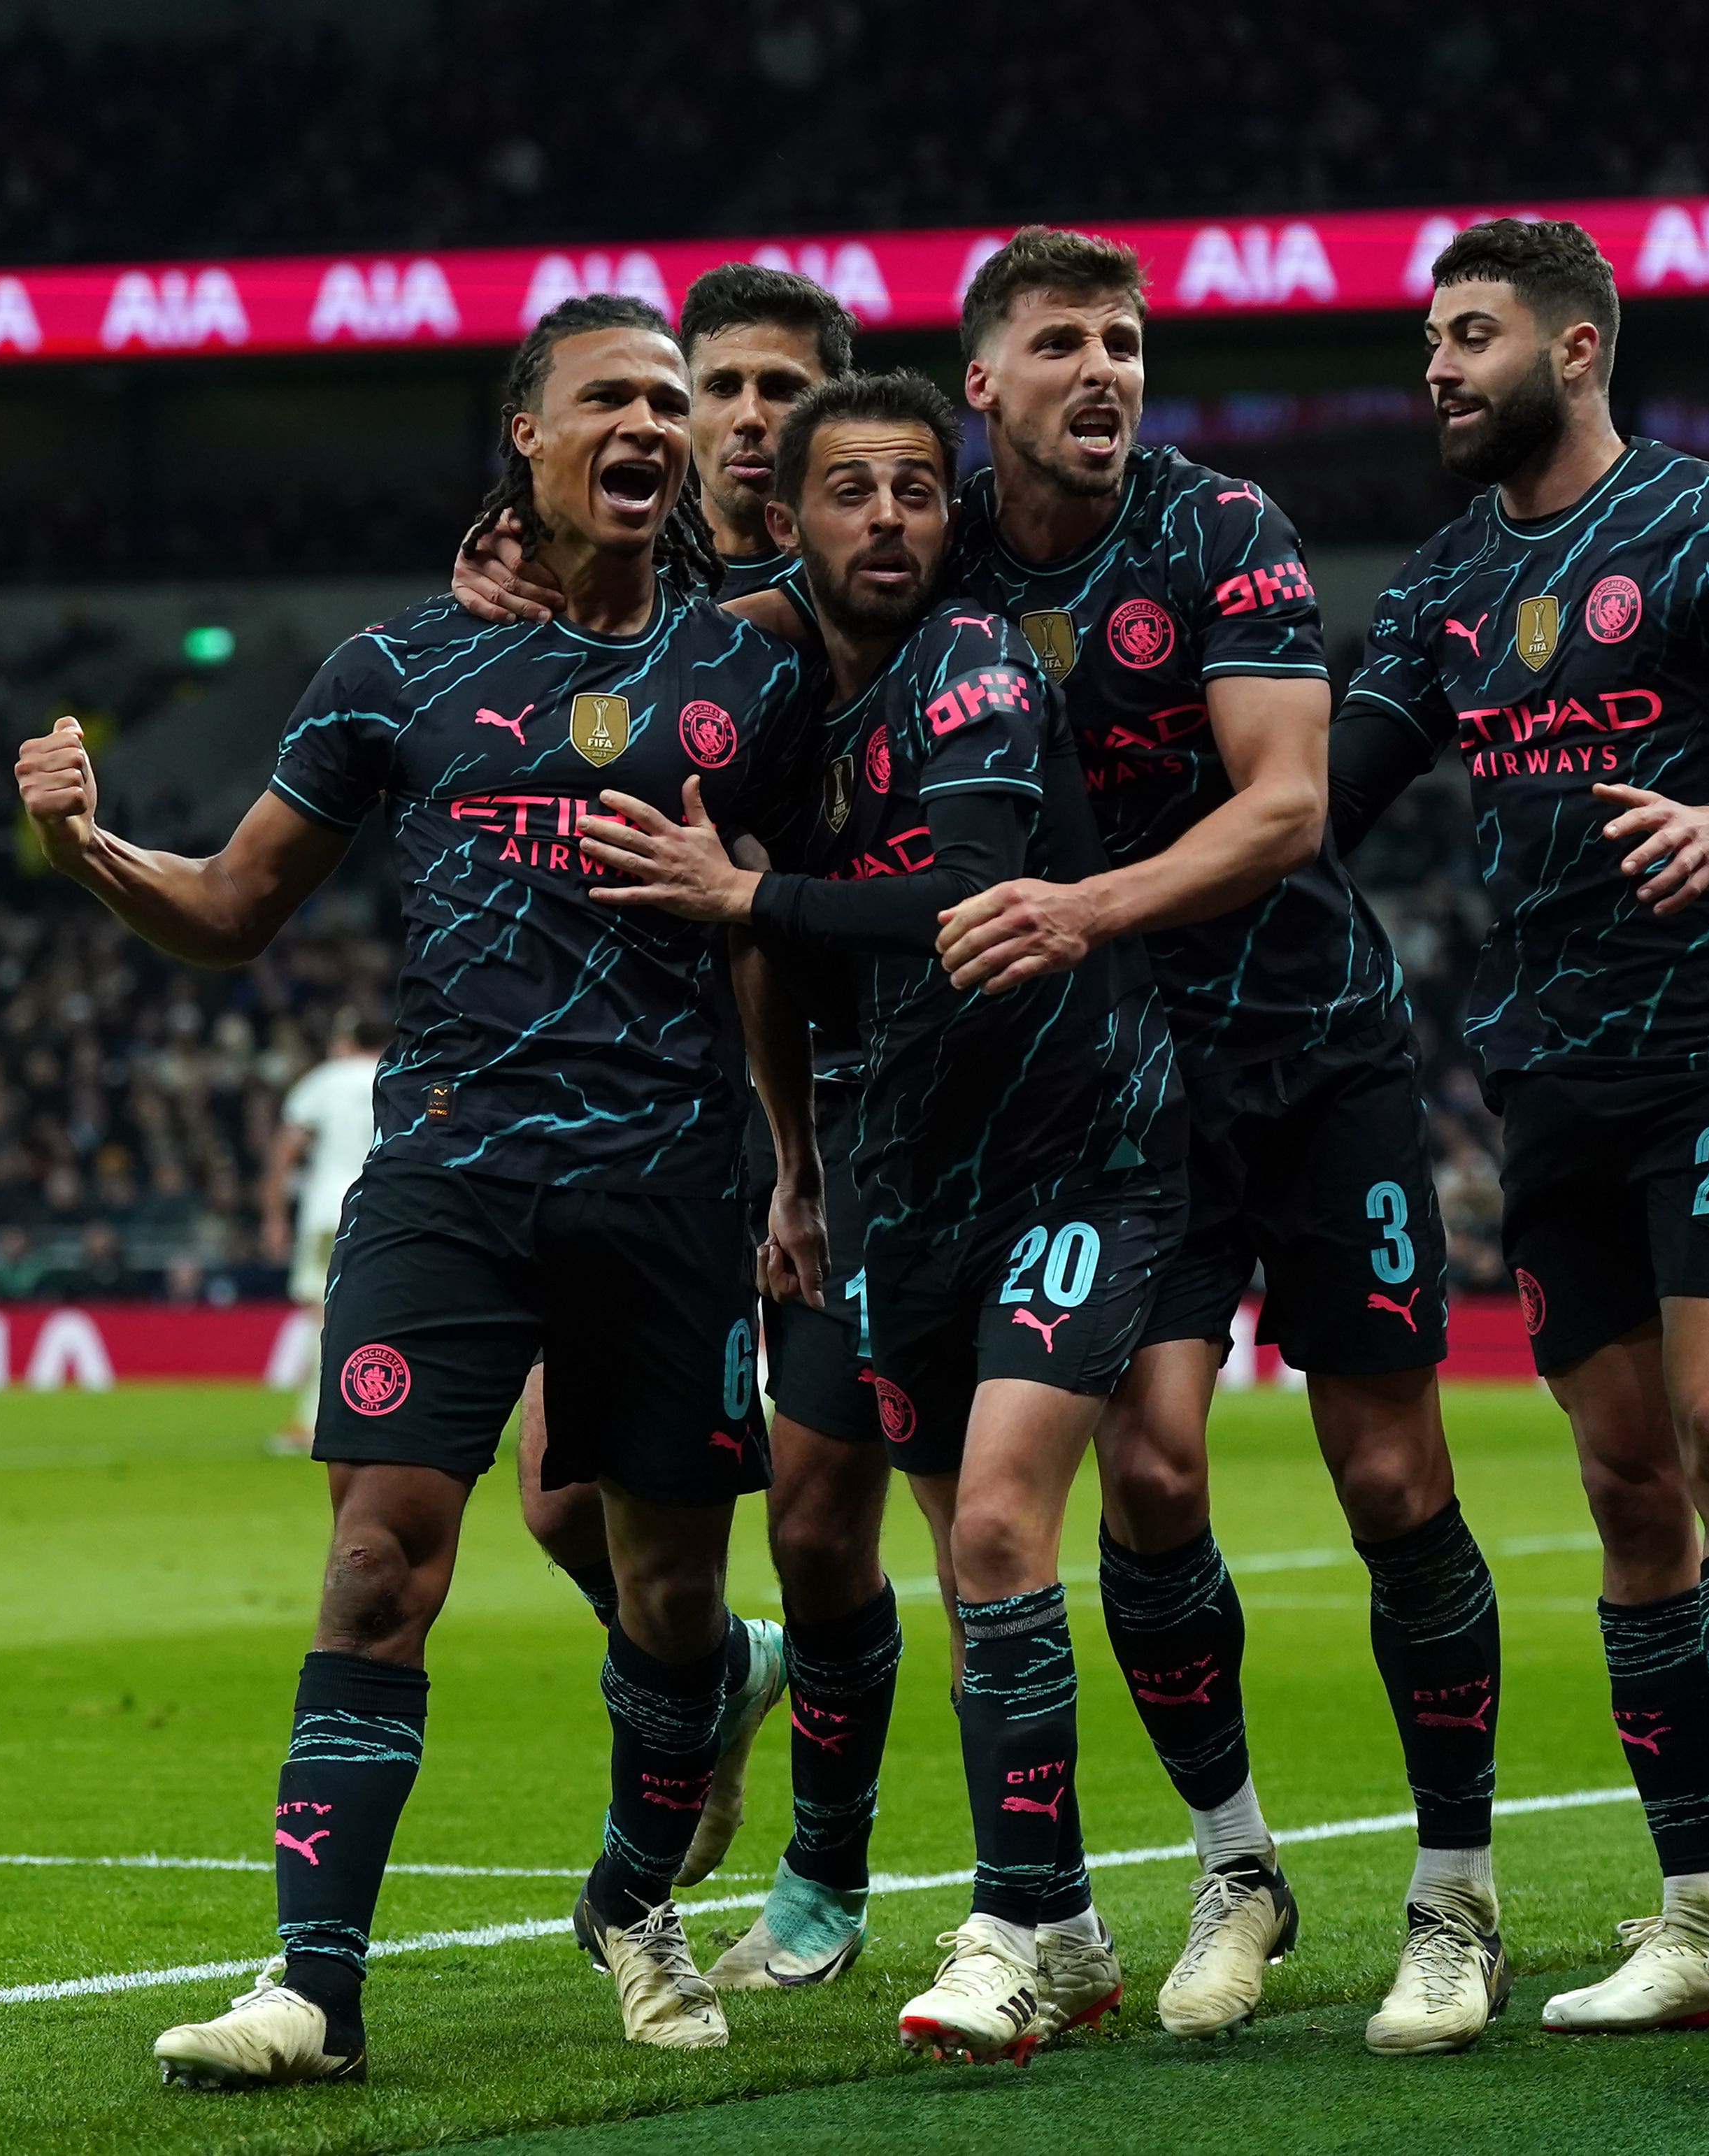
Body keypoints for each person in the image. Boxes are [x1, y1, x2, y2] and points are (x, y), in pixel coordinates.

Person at [29, 293, 821, 2087]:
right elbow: (231, 909)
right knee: (380, 1559)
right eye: (611, 397)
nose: (651, 423)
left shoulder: (754, 680)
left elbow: (789, 941)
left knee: (674, 1606)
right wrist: (84, 849)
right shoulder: (395, 670)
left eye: (671, 402)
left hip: (670, 1185)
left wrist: (798, 1167)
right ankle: (313, 1983)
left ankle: (631, 1896)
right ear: (526, 438)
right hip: (448, 1175)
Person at [1326, 218, 1709, 2034]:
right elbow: (1316, 807)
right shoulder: (1439, 587)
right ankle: (1681, 1910)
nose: (1437, 365)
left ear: (1576, 349)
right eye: (1429, 338)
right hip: (1548, 1073)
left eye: (1473, 334)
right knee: (1620, 1483)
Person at [922, 229, 1499, 2054]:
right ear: (983, 384)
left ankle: (1455, 1896)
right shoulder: (926, 547)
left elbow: (1286, 803)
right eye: (1062, 341)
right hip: (1115, 1088)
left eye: (1126, 339)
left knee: (1391, 1474)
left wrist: (1084, 908)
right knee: (1153, 1471)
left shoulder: (1218, 528)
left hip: (1313, 1053)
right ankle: (1236, 1864)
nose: (1105, 369)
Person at [577, 368, 1186, 2067]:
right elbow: (771, 960)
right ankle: (1062, 1923)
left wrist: (747, 889)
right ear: (789, 522)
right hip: (898, 1185)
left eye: (918, 489)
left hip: (1076, 1153)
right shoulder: (782, 715)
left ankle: (1002, 1917)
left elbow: (975, 895)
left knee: (995, 1526)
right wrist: (795, 1164)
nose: (891, 521)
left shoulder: (977, 661)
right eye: (852, 492)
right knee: (948, 1546)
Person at [458, 268, 899, 1983]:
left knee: (818, 1515)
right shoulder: (620, 595)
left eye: (780, 387)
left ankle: (830, 1868)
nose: (737, 417)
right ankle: (716, 1669)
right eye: (714, 384)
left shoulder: (859, 594)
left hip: (853, 1104)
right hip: (655, 1115)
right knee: (560, 1501)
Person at [261, 1009, 383, 1455]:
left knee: (322, 1314)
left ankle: (315, 1419)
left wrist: (273, 1214)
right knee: (380, 1314)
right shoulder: (402, 1075)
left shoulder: (326, 1079)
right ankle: (380, 1413)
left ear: (346, 1039)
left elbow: (287, 1147)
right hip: (382, 1209)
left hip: (327, 1212)